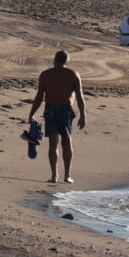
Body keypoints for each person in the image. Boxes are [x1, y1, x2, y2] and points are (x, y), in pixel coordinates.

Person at [26, 50, 86, 185]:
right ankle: (67, 175)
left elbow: (39, 97)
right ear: (67, 61)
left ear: (54, 60)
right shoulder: (73, 74)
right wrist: (83, 115)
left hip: (50, 109)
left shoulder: (46, 74)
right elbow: (80, 97)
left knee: (53, 143)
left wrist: (31, 114)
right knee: (67, 141)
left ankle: (54, 176)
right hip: (65, 109)